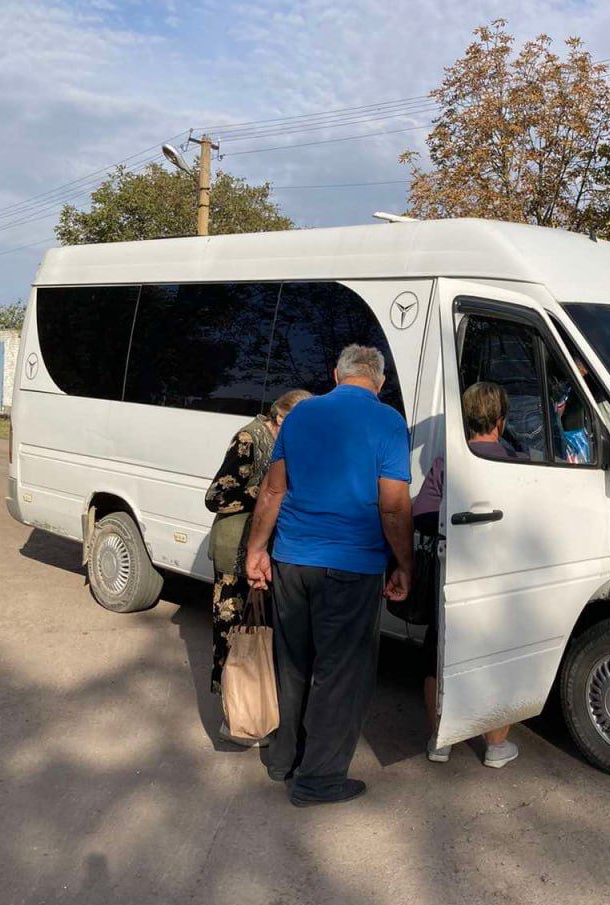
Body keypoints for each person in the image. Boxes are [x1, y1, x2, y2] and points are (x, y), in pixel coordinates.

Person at [245, 344, 413, 807]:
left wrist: (257, 549)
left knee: (293, 663)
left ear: (336, 375)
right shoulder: (388, 422)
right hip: (353, 568)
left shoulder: (300, 415)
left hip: (293, 561)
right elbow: (394, 505)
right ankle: (318, 780)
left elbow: (273, 488)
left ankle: (283, 760)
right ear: (379, 383)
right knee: (341, 674)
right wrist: (404, 564)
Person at [412, 381, 519, 768]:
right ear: (501, 421)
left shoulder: (448, 461)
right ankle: (495, 747)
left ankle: (440, 742)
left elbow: (422, 515)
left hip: (451, 576)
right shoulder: (518, 464)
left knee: (438, 657)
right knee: (499, 660)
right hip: (500, 583)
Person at [204, 389, 311, 745]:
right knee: (231, 633)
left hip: (262, 551)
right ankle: (232, 717)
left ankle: (255, 710)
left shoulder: (284, 442)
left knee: (258, 633)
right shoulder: (248, 439)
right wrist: (268, 490)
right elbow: (215, 496)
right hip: (234, 549)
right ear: (280, 417)